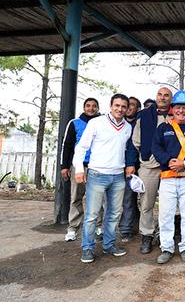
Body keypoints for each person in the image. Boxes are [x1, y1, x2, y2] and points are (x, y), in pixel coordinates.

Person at [73, 94, 132, 263]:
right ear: (111, 106)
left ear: (127, 109)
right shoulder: (96, 123)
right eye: (117, 105)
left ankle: (109, 245)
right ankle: (87, 248)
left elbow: (127, 150)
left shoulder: (127, 127)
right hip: (97, 174)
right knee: (92, 214)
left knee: (114, 213)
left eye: (123, 106)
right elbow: (81, 147)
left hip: (118, 175)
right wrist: (79, 169)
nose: (120, 109)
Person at [151, 90, 185, 264]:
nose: (181, 111)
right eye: (178, 107)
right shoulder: (163, 127)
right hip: (167, 177)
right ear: (172, 109)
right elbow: (156, 148)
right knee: (165, 214)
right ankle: (166, 248)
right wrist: (169, 160)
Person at [126, 87, 173, 254]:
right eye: (160, 95)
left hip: (170, 167)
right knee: (146, 203)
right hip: (148, 165)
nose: (162, 97)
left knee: (168, 205)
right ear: (156, 97)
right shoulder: (144, 115)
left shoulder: (177, 114)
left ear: (171, 98)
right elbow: (134, 141)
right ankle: (147, 234)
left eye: (166, 95)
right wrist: (132, 163)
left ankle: (163, 233)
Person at [61, 97, 101, 241]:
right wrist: (64, 166)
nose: (91, 108)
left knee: (98, 198)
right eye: (88, 106)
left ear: (98, 108)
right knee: (76, 197)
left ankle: (98, 226)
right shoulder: (74, 123)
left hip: (97, 166)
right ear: (84, 107)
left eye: (94, 106)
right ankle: (73, 227)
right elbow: (67, 145)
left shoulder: (101, 122)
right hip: (79, 166)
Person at [119, 96, 142, 242]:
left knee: (132, 198)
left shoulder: (140, 123)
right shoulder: (118, 123)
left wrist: (132, 164)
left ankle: (128, 228)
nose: (129, 107)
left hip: (138, 165)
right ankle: (125, 227)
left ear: (137, 109)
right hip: (117, 165)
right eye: (128, 105)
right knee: (124, 198)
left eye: (133, 105)